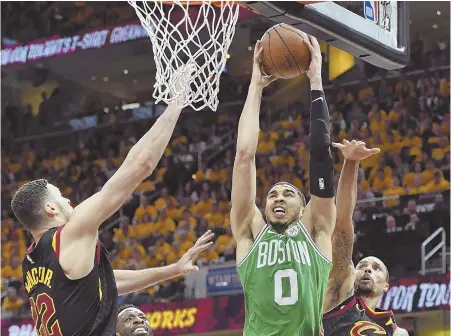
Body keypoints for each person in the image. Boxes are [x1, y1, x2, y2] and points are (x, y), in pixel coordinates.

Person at [11, 65, 214, 335]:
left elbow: (107, 282)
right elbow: (140, 165)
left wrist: (173, 270)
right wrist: (177, 100)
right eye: (61, 197)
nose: (69, 200)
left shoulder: (32, 262)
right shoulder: (70, 234)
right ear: (50, 208)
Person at [231, 34, 380, 335]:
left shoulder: (318, 232)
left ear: (303, 209)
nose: (278, 198)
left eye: (288, 194)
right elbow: (244, 155)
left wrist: (315, 81)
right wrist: (256, 87)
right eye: (272, 194)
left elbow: (321, 158)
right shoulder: (248, 232)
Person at [322, 151, 408, 335]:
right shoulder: (339, 296)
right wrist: (351, 163)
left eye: (376, 268)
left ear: (386, 285)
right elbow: (342, 224)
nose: (368, 270)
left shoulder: (396, 331)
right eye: (362, 266)